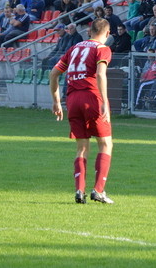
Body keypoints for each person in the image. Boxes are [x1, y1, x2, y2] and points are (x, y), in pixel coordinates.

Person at [49, 19, 115, 204]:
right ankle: (98, 191)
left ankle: (79, 190)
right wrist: (104, 101)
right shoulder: (102, 49)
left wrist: (56, 102)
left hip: (73, 100)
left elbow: (53, 74)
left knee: (82, 147)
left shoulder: (74, 48)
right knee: (105, 144)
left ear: (89, 31)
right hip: (92, 97)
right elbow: (100, 74)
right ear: (107, 33)